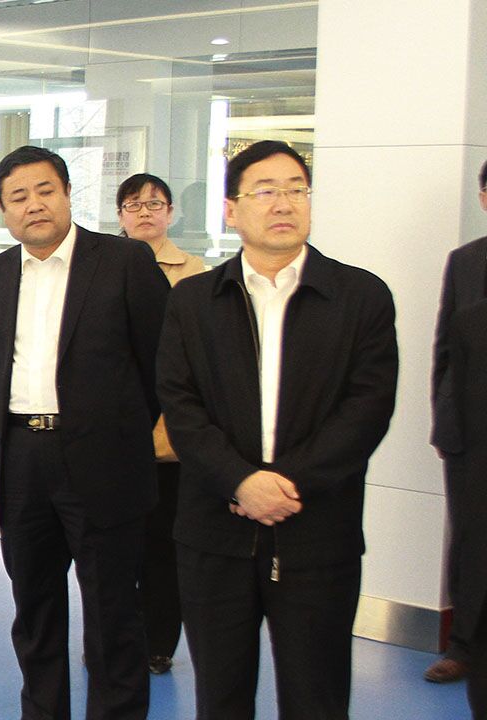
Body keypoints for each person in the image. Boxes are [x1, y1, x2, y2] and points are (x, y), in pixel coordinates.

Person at [157, 140, 398, 719]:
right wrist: (240, 481)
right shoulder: (194, 300)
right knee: (220, 697)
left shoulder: (359, 296)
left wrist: (286, 485)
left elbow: (366, 409)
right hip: (214, 536)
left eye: (296, 189)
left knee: (318, 698)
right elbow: (181, 406)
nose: (284, 203)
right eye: (265, 191)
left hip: (318, 535)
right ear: (231, 210)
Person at [0, 145, 169, 720]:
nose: (33, 205)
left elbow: (161, 364)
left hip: (105, 462)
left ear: (66, 194)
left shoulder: (125, 261)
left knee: (113, 613)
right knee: (34, 608)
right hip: (21, 458)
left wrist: (120, 432)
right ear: (3, 211)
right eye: (18, 196)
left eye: (45, 191)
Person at [115, 173, 206, 676]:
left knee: (163, 545)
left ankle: (158, 642)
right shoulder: (102, 267)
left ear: (171, 213)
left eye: (155, 204)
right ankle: (116, 633)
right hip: (114, 433)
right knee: (113, 548)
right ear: (120, 215)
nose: (145, 212)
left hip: (170, 436)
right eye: (134, 204)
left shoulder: (196, 273)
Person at [428, 160, 487, 684]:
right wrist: (444, 418)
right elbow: (444, 348)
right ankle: (465, 647)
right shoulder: (465, 261)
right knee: (471, 542)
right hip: (471, 432)